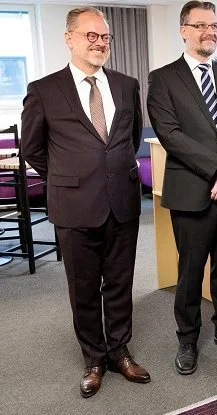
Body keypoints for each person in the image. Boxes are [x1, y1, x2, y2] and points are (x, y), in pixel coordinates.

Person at [20, 7, 150, 398]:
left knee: (120, 283)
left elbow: (128, 141)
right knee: (83, 288)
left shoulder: (127, 85)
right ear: (70, 38)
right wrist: (69, 177)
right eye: (91, 35)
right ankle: (93, 358)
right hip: (74, 207)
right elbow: (33, 149)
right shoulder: (44, 90)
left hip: (123, 203)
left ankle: (119, 352)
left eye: (105, 37)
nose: (100, 42)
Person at [147, 0, 217, 376]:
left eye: (214, 25)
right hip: (191, 192)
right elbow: (171, 135)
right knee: (191, 270)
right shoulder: (162, 79)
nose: (209, 32)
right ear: (183, 30)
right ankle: (187, 338)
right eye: (201, 25)